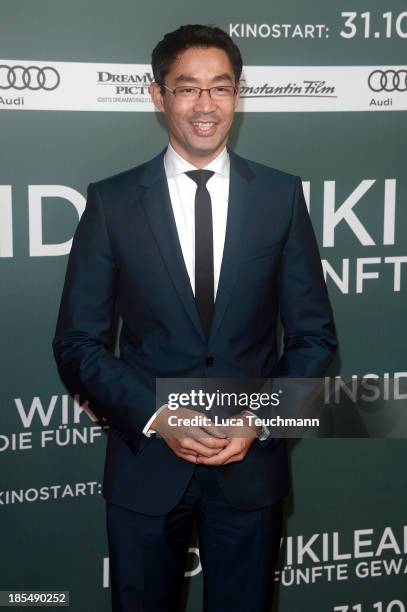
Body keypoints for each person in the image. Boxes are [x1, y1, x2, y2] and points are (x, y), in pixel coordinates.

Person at [52, 24, 337, 612]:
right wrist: (158, 415)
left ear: (238, 95)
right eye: (187, 88)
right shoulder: (112, 202)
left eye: (220, 87)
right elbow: (78, 344)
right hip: (147, 463)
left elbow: (313, 335)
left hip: (251, 467)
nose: (205, 105)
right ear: (159, 96)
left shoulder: (280, 197)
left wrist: (259, 423)